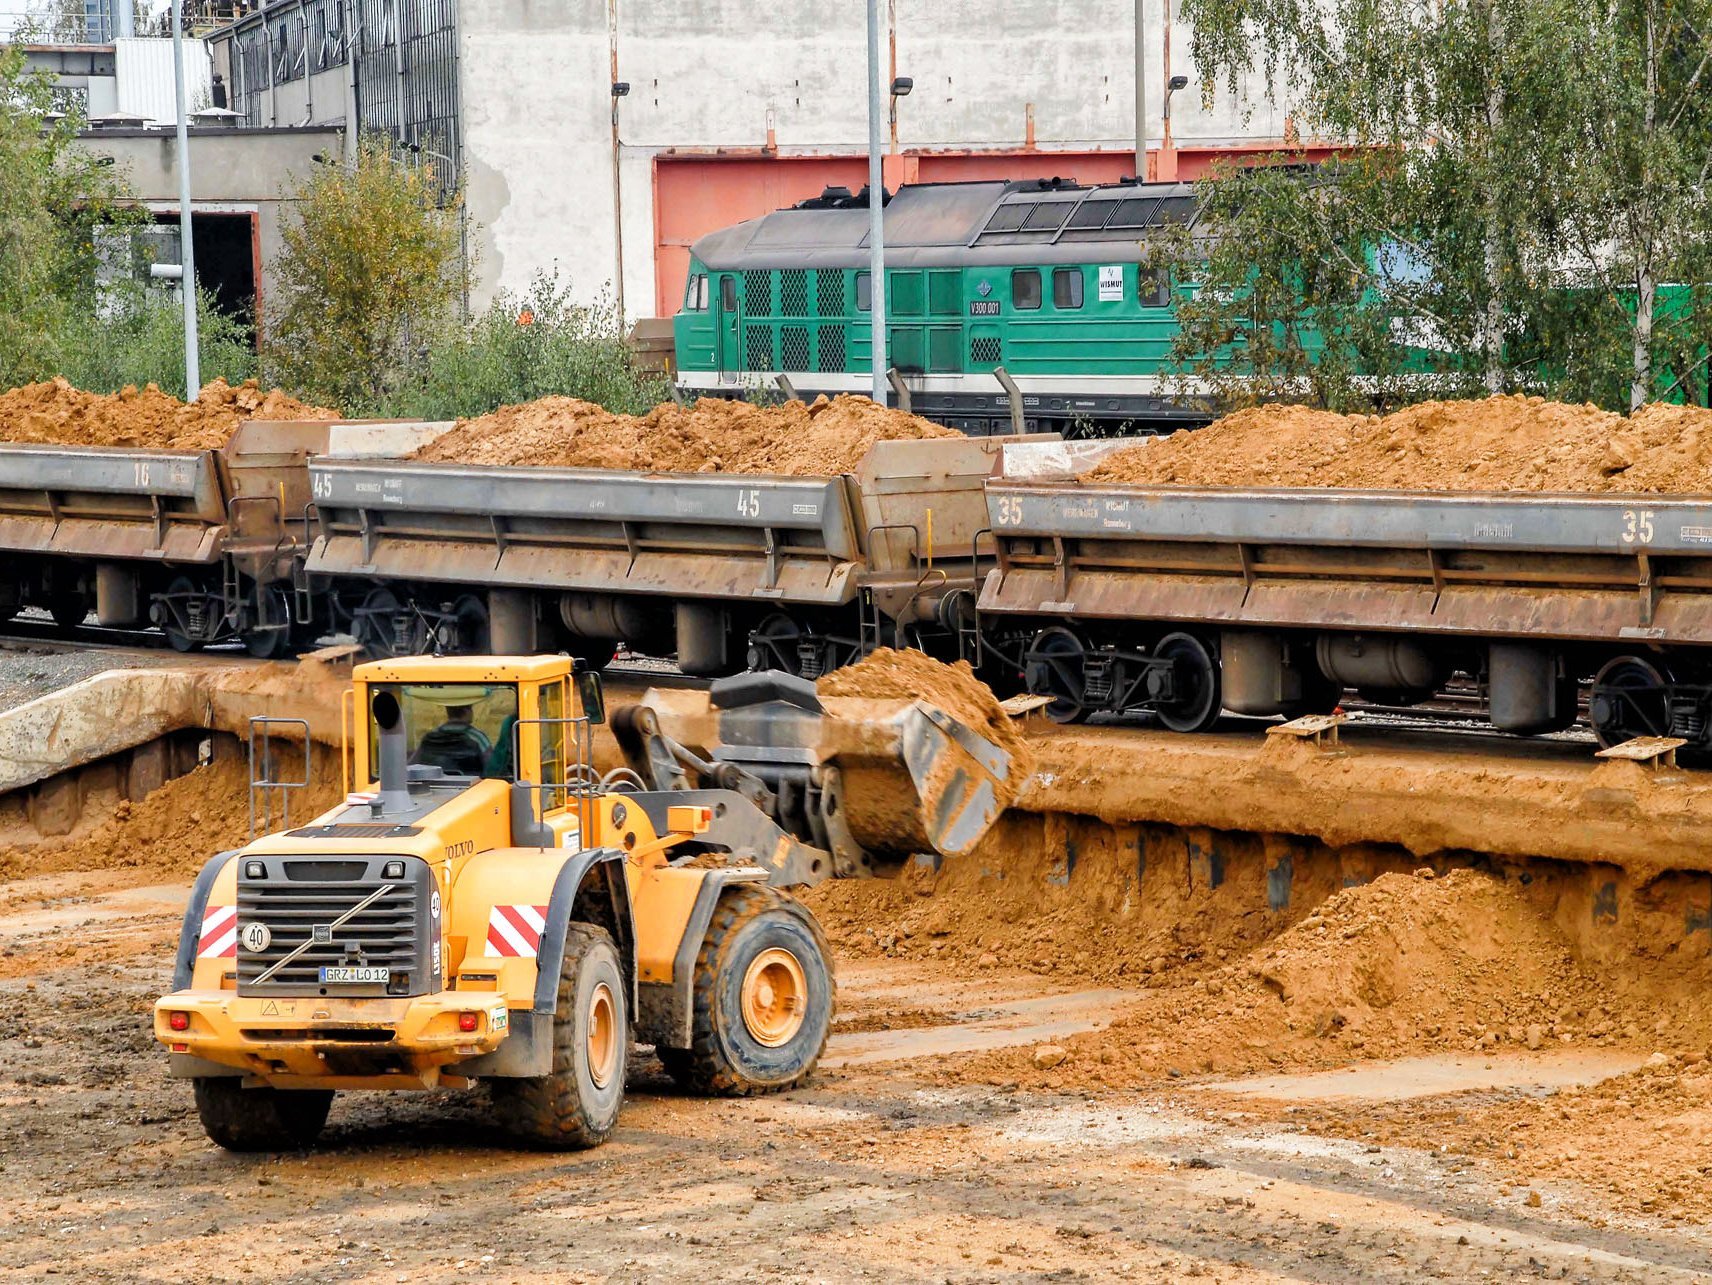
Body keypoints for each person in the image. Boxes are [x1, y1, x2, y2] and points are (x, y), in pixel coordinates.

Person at [412, 704, 492, 776]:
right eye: (471, 709)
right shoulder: (477, 737)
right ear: (466, 711)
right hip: (470, 789)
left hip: (434, 787)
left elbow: (411, 765)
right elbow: (492, 766)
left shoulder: (428, 738)